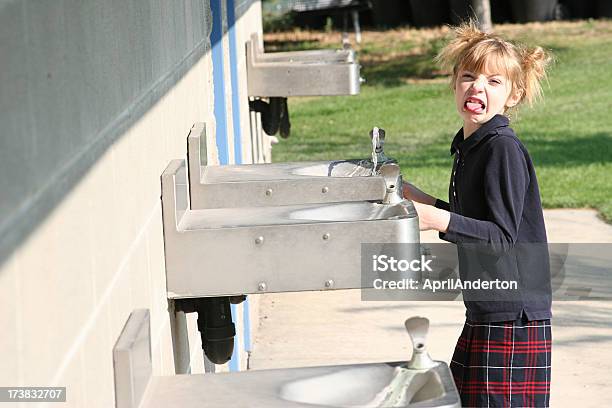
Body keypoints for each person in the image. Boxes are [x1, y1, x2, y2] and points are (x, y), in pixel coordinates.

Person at [403, 22, 553, 407]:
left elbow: (501, 237)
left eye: (493, 81)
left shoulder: (501, 148)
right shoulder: (472, 146)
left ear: (513, 95)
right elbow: (477, 218)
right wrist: (423, 201)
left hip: (512, 317)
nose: (477, 87)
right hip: (488, 308)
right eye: (468, 76)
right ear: (454, 84)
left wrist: (435, 219)